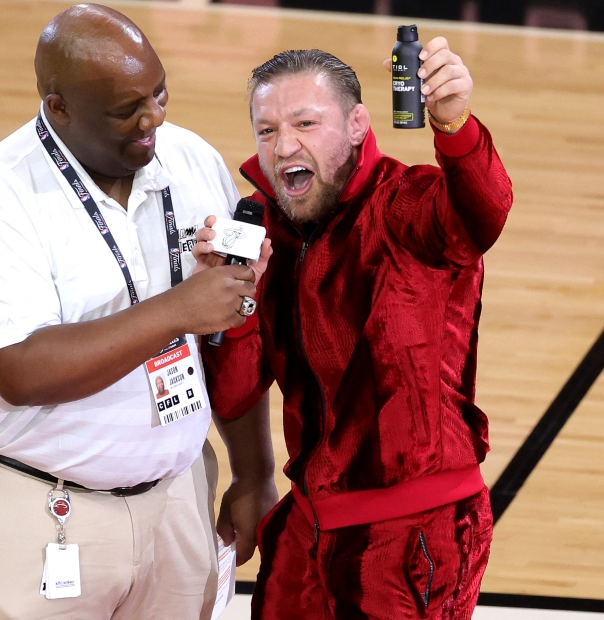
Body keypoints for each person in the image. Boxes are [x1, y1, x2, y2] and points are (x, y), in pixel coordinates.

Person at [0, 4, 277, 620]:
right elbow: (22, 374)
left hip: (176, 496)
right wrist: (177, 311)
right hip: (30, 504)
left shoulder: (190, 160)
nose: (152, 120)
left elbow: (230, 337)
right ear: (57, 108)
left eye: (159, 94)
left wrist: (252, 473)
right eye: (125, 110)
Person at [196, 42, 512, 619]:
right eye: (265, 130)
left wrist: (455, 126)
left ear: (357, 125)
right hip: (307, 528)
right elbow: (235, 393)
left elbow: (483, 212)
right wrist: (231, 299)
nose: (283, 146)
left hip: (415, 535)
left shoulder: (408, 205)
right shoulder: (262, 231)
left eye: (305, 124)